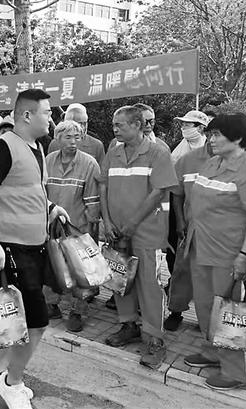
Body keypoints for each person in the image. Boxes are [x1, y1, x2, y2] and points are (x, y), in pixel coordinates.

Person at [0, 89, 69, 409]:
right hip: (10, 246)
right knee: (36, 321)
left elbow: (31, 188)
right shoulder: (2, 146)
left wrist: (51, 207)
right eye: (47, 112)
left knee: (12, 315)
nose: (52, 118)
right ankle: (12, 383)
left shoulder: (37, 147)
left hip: (34, 245)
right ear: (27, 115)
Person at [99, 105, 177, 370]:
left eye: (119, 125)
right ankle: (128, 325)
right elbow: (103, 186)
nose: (115, 129)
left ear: (137, 124)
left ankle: (155, 339)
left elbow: (158, 192)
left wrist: (132, 224)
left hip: (147, 233)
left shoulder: (158, 152)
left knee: (149, 284)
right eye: (114, 125)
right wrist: (107, 221)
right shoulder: (113, 152)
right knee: (120, 279)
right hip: (116, 232)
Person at [183, 113, 246, 391]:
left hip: (227, 253)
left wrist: (244, 255)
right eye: (211, 134)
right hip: (200, 246)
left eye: (217, 134)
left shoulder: (245, 169)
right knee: (204, 304)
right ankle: (212, 351)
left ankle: (234, 372)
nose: (211, 139)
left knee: (228, 312)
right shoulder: (212, 162)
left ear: (238, 137)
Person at [43, 120, 101, 332]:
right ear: (57, 139)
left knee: (81, 270)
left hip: (78, 227)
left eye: (77, 137)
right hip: (52, 225)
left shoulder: (89, 163)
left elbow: (93, 201)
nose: (73, 142)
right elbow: (41, 192)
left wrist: (91, 232)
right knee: (51, 265)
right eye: (68, 137)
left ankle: (78, 310)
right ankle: (51, 304)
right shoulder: (48, 160)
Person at [163, 110, 209, 331]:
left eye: (188, 124)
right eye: (182, 124)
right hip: (186, 222)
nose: (184, 128)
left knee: (208, 275)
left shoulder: (222, 159)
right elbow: (177, 193)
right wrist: (180, 221)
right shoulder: (181, 153)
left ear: (201, 128)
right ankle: (176, 311)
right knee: (180, 269)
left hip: (213, 229)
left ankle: (207, 318)